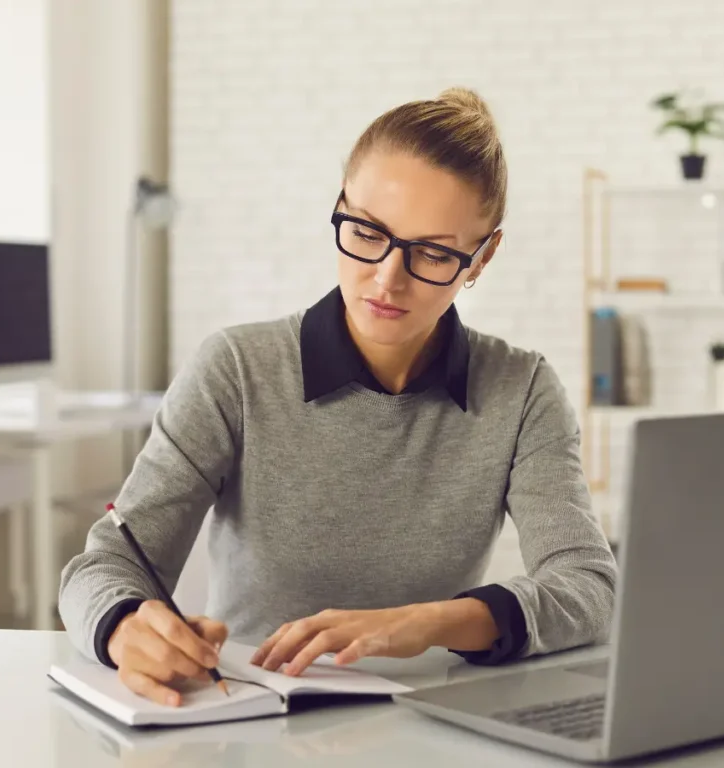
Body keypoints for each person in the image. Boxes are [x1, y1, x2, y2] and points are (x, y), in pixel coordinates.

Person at [58, 86, 617, 707]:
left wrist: (428, 622)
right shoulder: (236, 370)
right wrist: (124, 629)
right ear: (339, 208)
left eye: (432, 252)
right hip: (248, 718)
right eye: (367, 231)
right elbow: (103, 566)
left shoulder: (522, 390)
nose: (387, 278)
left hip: (430, 721)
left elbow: (589, 587)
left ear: (482, 258)